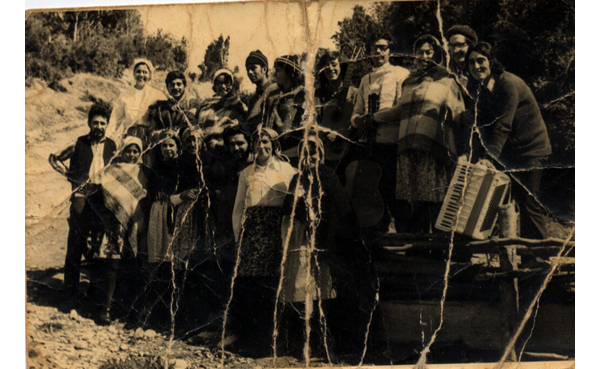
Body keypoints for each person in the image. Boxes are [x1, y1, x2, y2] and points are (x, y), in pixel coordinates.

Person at [372, 34, 465, 233]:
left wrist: (456, 149)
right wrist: (372, 118)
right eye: (419, 53)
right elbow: (399, 110)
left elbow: (457, 116)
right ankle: (420, 253)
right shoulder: (408, 81)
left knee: (437, 201)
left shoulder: (447, 79)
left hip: (433, 150)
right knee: (416, 204)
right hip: (407, 149)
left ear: (436, 53)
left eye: (428, 52)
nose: (424, 56)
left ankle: (439, 255)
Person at [465, 42, 552, 239]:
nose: (476, 66)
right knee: (503, 203)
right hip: (511, 154)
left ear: (491, 62)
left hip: (531, 151)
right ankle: (512, 258)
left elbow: (503, 124)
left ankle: (541, 261)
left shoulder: (507, 83)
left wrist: (489, 158)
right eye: (471, 63)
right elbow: (482, 124)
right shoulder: (482, 87)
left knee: (529, 205)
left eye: (481, 60)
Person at [279, 134, 351, 357]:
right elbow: (287, 209)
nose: (309, 157)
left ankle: (323, 343)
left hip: (324, 240)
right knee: (301, 290)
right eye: (305, 153)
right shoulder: (296, 178)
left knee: (322, 290)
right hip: (301, 240)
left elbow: (343, 208)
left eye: (314, 153)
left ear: (322, 155)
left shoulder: (329, 176)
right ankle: (301, 343)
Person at [229, 128, 296, 356]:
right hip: (251, 235)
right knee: (251, 289)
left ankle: (272, 343)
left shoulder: (287, 170)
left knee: (273, 287)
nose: (262, 146)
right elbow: (238, 209)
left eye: (266, 141)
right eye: (257, 142)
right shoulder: (246, 173)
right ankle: (252, 341)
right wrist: (239, 238)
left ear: (273, 144)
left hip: (277, 231)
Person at [350, 35, 410, 231]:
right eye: (374, 48)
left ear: (389, 51)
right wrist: (359, 120)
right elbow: (356, 113)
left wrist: (375, 118)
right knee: (375, 193)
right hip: (370, 145)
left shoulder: (401, 74)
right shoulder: (365, 79)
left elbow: (402, 108)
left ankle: (406, 240)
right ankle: (380, 241)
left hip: (393, 144)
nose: (378, 52)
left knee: (397, 194)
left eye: (383, 48)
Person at [64, 102, 117, 302]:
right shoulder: (80, 143)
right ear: (89, 123)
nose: (99, 127)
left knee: (98, 243)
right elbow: (73, 172)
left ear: (107, 125)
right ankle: (70, 291)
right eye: (95, 123)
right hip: (83, 195)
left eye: (103, 123)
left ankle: (95, 291)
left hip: (103, 196)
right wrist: (78, 193)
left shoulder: (112, 145)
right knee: (76, 240)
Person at [94, 136, 151, 324]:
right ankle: (105, 309)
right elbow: (105, 195)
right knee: (112, 265)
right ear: (122, 151)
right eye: (129, 150)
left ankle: (129, 311)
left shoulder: (144, 172)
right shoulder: (111, 171)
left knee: (133, 265)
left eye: (136, 151)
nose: (132, 155)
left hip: (137, 222)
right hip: (114, 222)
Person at [107, 58, 167, 146]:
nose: (141, 75)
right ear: (134, 74)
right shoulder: (124, 95)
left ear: (150, 74)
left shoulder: (157, 94)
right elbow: (115, 120)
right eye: (138, 71)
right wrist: (107, 138)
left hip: (149, 138)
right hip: (129, 138)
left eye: (145, 72)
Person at [315, 50, 358, 170]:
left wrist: (339, 133)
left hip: (347, 151)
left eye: (334, 64)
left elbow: (357, 122)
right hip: (323, 148)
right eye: (326, 65)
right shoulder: (318, 95)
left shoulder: (354, 93)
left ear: (342, 66)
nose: (330, 68)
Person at [263, 55, 307, 163]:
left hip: (293, 153)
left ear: (289, 72)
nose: (275, 73)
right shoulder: (279, 95)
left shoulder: (300, 95)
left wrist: (273, 108)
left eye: (278, 70)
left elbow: (285, 131)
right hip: (277, 151)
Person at [245, 50, 277, 133]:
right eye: (247, 69)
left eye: (253, 68)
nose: (249, 72)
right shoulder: (253, 100)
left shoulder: (275, 91)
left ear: (264, 69)